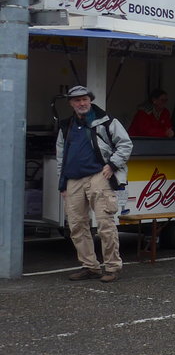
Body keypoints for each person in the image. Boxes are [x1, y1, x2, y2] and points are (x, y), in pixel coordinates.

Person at [56, 85, 133, 282]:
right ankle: (90, 266)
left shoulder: (106, 121)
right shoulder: (66, 126)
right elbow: (61, 156)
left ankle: (113, 267)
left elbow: (125, 144)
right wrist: (62, 183)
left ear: (90, 100)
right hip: (73, 179)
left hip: (99, 176)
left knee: (105, 223)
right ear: (71, 103)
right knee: (76, 225)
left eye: (85, 99)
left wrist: (113, 165)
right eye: (77, 100)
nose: (81, 103)